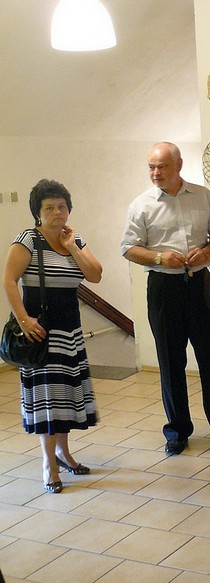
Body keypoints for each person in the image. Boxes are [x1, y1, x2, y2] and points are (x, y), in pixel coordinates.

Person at [121, 142, 210, 456]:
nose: (155, 173)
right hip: (163, 288)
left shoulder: (203, 196)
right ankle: (177, 431)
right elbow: (128, 248)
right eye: (151, 167)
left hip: (200, 284)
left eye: (161, 166)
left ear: (178, 165)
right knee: (170, 361)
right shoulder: (141, 205)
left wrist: (206, 251)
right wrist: (160, 258)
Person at [2, 179, 103, 493]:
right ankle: (49, 464)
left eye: (62, 206)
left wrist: (72, 247)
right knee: (49, 402)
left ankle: (63, 453)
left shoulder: (74, 239)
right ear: (38, 212)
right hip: (42, 335)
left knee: (65, 400)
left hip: (69, 333)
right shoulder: (28, 240)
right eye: (49, 207)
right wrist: (24, 319)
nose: (57, 212)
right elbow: (9, 280)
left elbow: (95, 274)